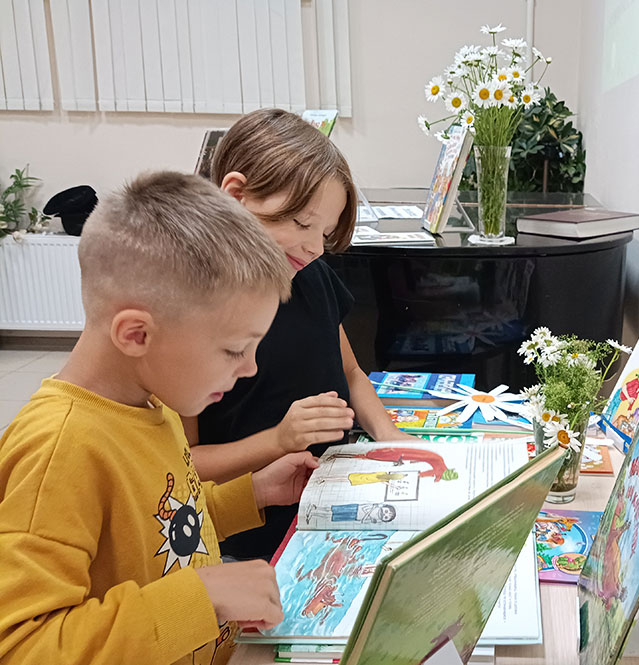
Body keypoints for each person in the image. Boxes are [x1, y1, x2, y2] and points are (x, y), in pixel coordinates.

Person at [0, 172, 316, 664]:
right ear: (136, 335)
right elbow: (22, 646)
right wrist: (204, 597)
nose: (250, 368)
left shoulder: (154, 404)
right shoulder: (60, 449)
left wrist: (251, 494)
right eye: (235, 348)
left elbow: (159, 530)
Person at [185, 108, 419, 560]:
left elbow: (351, 373)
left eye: (325, 233)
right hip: (250, 536)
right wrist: (278, 439)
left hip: (331, 512)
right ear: (237, 196)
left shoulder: (310, 276)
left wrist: (390, 435)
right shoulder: (189, 311)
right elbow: (182, 465)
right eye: (301, 224)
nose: (314, 248)